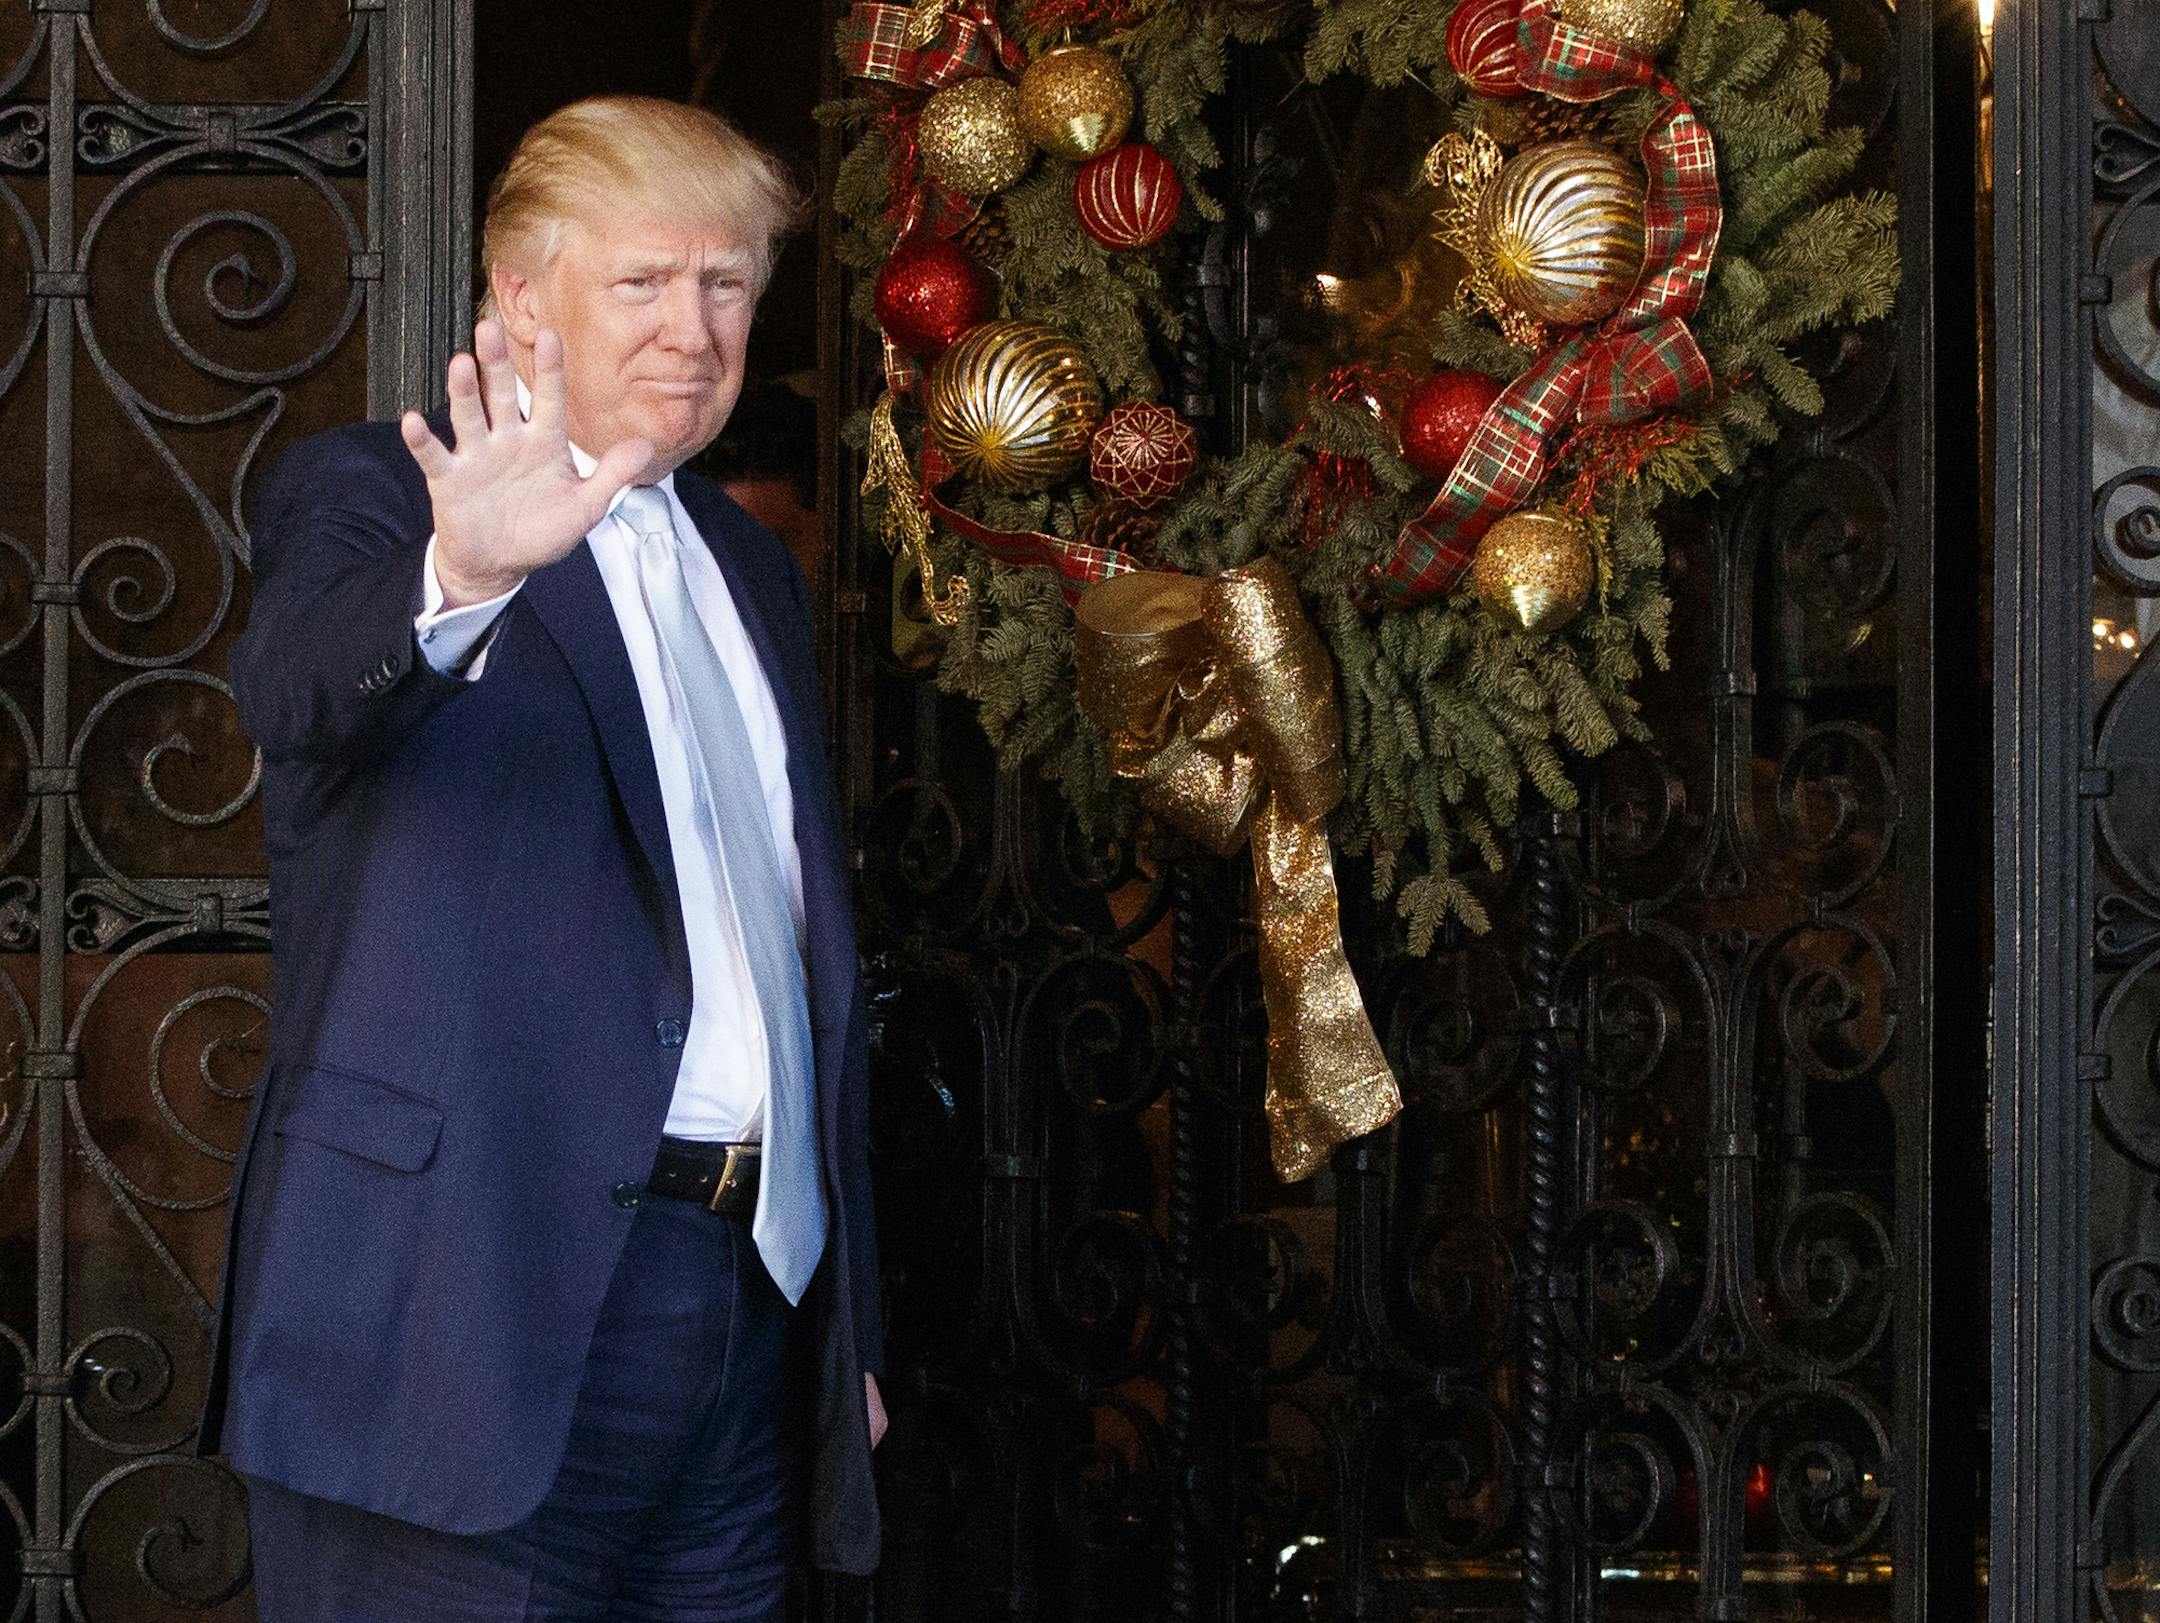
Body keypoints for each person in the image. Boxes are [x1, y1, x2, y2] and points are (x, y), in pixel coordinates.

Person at [200, 96, 885, 1620]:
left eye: (727, 287)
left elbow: (787, 961)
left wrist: (851, 1341)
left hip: (740, 1311)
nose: (692, 331)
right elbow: (296, 691)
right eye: (644, 282)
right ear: (521, 299)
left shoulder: (754, 563)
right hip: (451, 1321)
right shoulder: (376, 494)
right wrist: (464, 571)